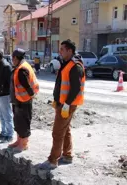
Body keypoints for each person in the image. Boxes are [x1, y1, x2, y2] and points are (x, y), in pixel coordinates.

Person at [39, 39, 85, 170]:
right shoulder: (66, 63)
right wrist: (56, 100)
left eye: (62, 49)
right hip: (62, 103)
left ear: (70, 51)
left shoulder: (75, 66)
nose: (60, 51)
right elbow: (61, 84)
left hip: (67, 105)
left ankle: (53, 160)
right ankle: (67, 155)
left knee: (57, 132)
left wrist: (66, 104)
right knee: (66, 129)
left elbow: (75, 88)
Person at [8, 48, 39, 151]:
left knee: (23, 122)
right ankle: (18, 141)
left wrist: (31, 95)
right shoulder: (19, 67)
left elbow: (27, 85)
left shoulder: (22, 69)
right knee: (17, 121)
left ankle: (24, 144)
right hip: (18, 100)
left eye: (13, 58)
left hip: (24, 100)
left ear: (16, 58)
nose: (12, 60)